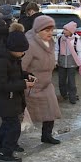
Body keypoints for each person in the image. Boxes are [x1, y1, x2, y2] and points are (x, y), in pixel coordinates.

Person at [0, 22, 35, 162]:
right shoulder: (2, 61)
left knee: (7, 125)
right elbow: (1, 84)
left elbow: (14, 74)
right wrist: (23, 84)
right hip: (5, 99)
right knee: (14, 128)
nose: (23, 54)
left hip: (11, 99)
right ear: (13, 48)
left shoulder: (13, 58)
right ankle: (5, 153)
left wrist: (26, 75)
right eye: (21, 51)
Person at [22, 15, 62, 144]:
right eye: (46, 30)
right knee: (22, 117)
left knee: (51, 110)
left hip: (46, 84)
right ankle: (8, 142)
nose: (50, 33)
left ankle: (47, 136)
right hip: (32, 87)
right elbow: (21, 67)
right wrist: (28, 80)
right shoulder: (30, 45)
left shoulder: (50, 43)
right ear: (38, 31)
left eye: (51, 30)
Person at [55, 21, 81, 104]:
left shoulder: (75, 40)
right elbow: (56, 49)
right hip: (61, 63)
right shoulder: (60, 39)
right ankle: (64, 94)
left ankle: (72, 97)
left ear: (71, 31)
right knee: (61, 81)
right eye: (64, 29)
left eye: (66, 30)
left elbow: (79, 51)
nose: (64, 31)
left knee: (71, 81)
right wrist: (56, 60)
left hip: (72, 63)